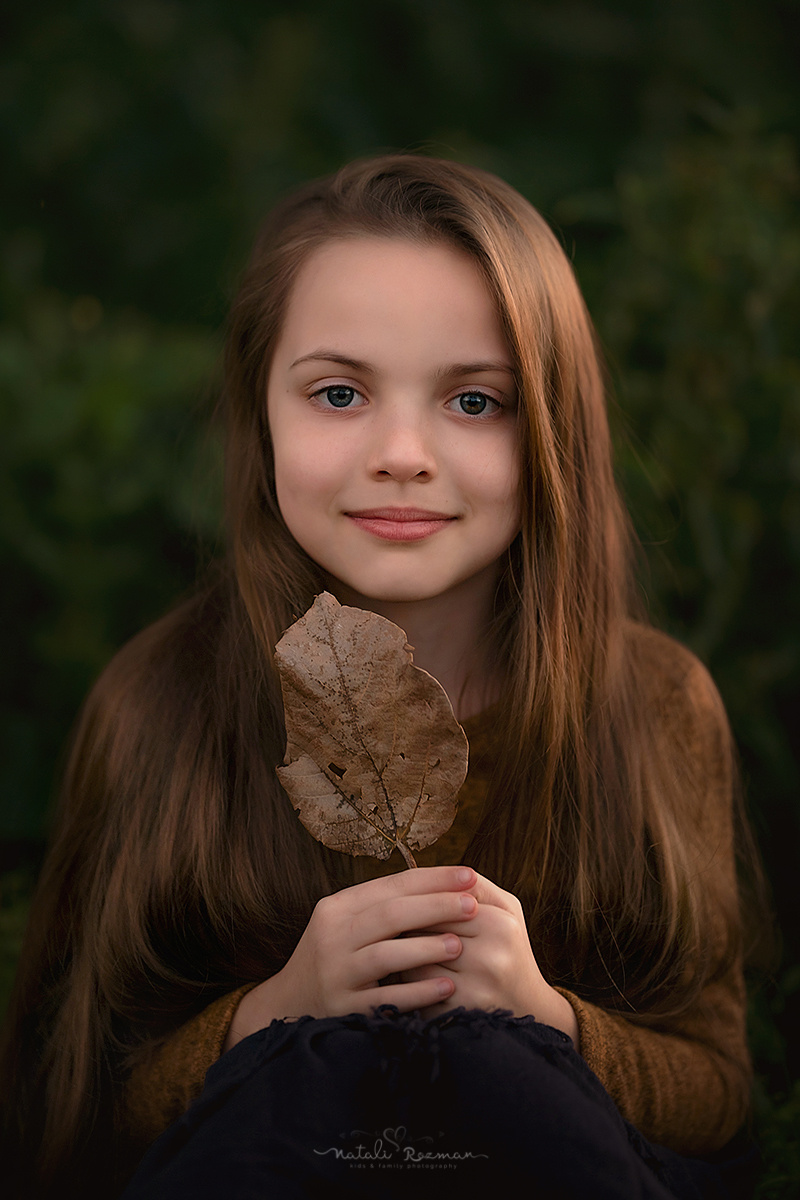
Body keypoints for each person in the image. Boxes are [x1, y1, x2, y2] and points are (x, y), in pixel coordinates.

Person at [1, 154, 764, 1199]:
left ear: (553, 428)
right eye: (338, 392)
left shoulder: (648, 704)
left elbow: (717, 1087)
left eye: (473, 402)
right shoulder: (161, 704)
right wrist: (276, 1015)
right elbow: (78, 1103)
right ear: (256, 409)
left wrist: (546, 1019)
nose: (401, 452)